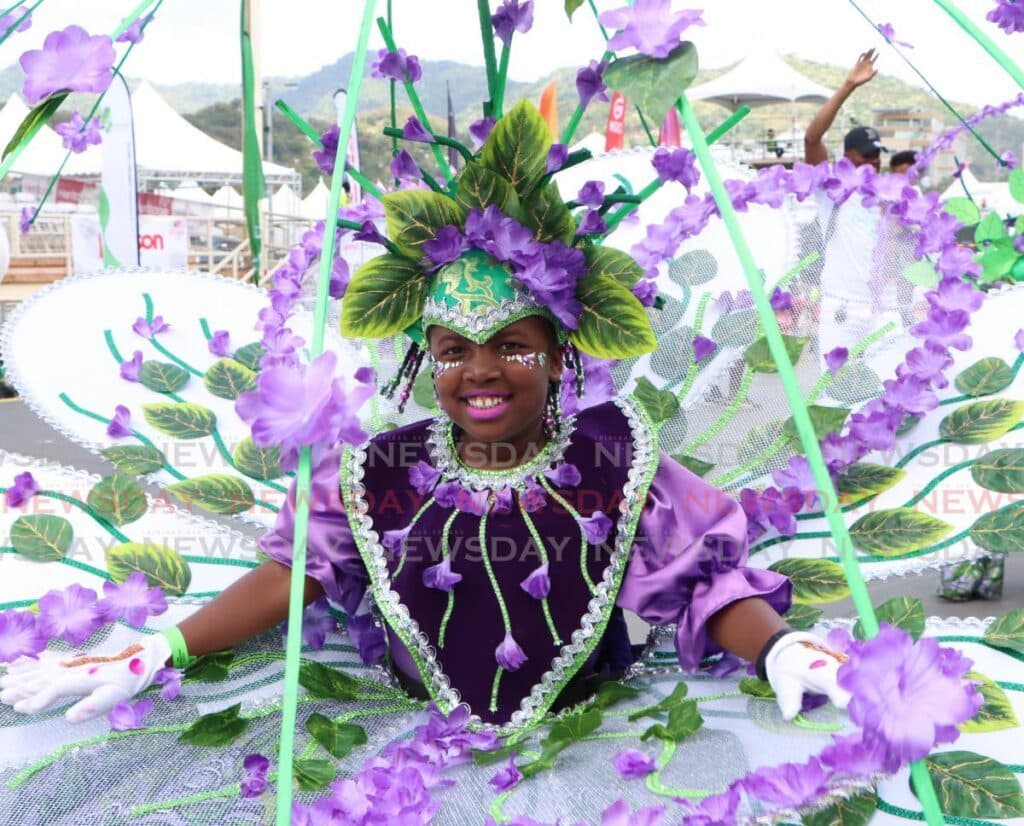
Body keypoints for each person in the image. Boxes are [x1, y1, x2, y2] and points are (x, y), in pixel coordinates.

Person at [1, 117, 849, 731]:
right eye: (453, 351)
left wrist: (778, 648)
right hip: (408, 743)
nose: (480, 370)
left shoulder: (618, 460)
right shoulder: (374, 472)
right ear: (426, 361)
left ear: (560, 355)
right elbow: (292, 576)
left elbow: (707, 583)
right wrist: (154, 651)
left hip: (595, 733)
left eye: (511, 345)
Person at [804, 49, 885, 170]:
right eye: (867, 155)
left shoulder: (884, 182)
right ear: (847, 157)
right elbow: (812, 140)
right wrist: (849, 85)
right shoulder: (830, 179)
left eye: (876, 155)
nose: (874, 161)